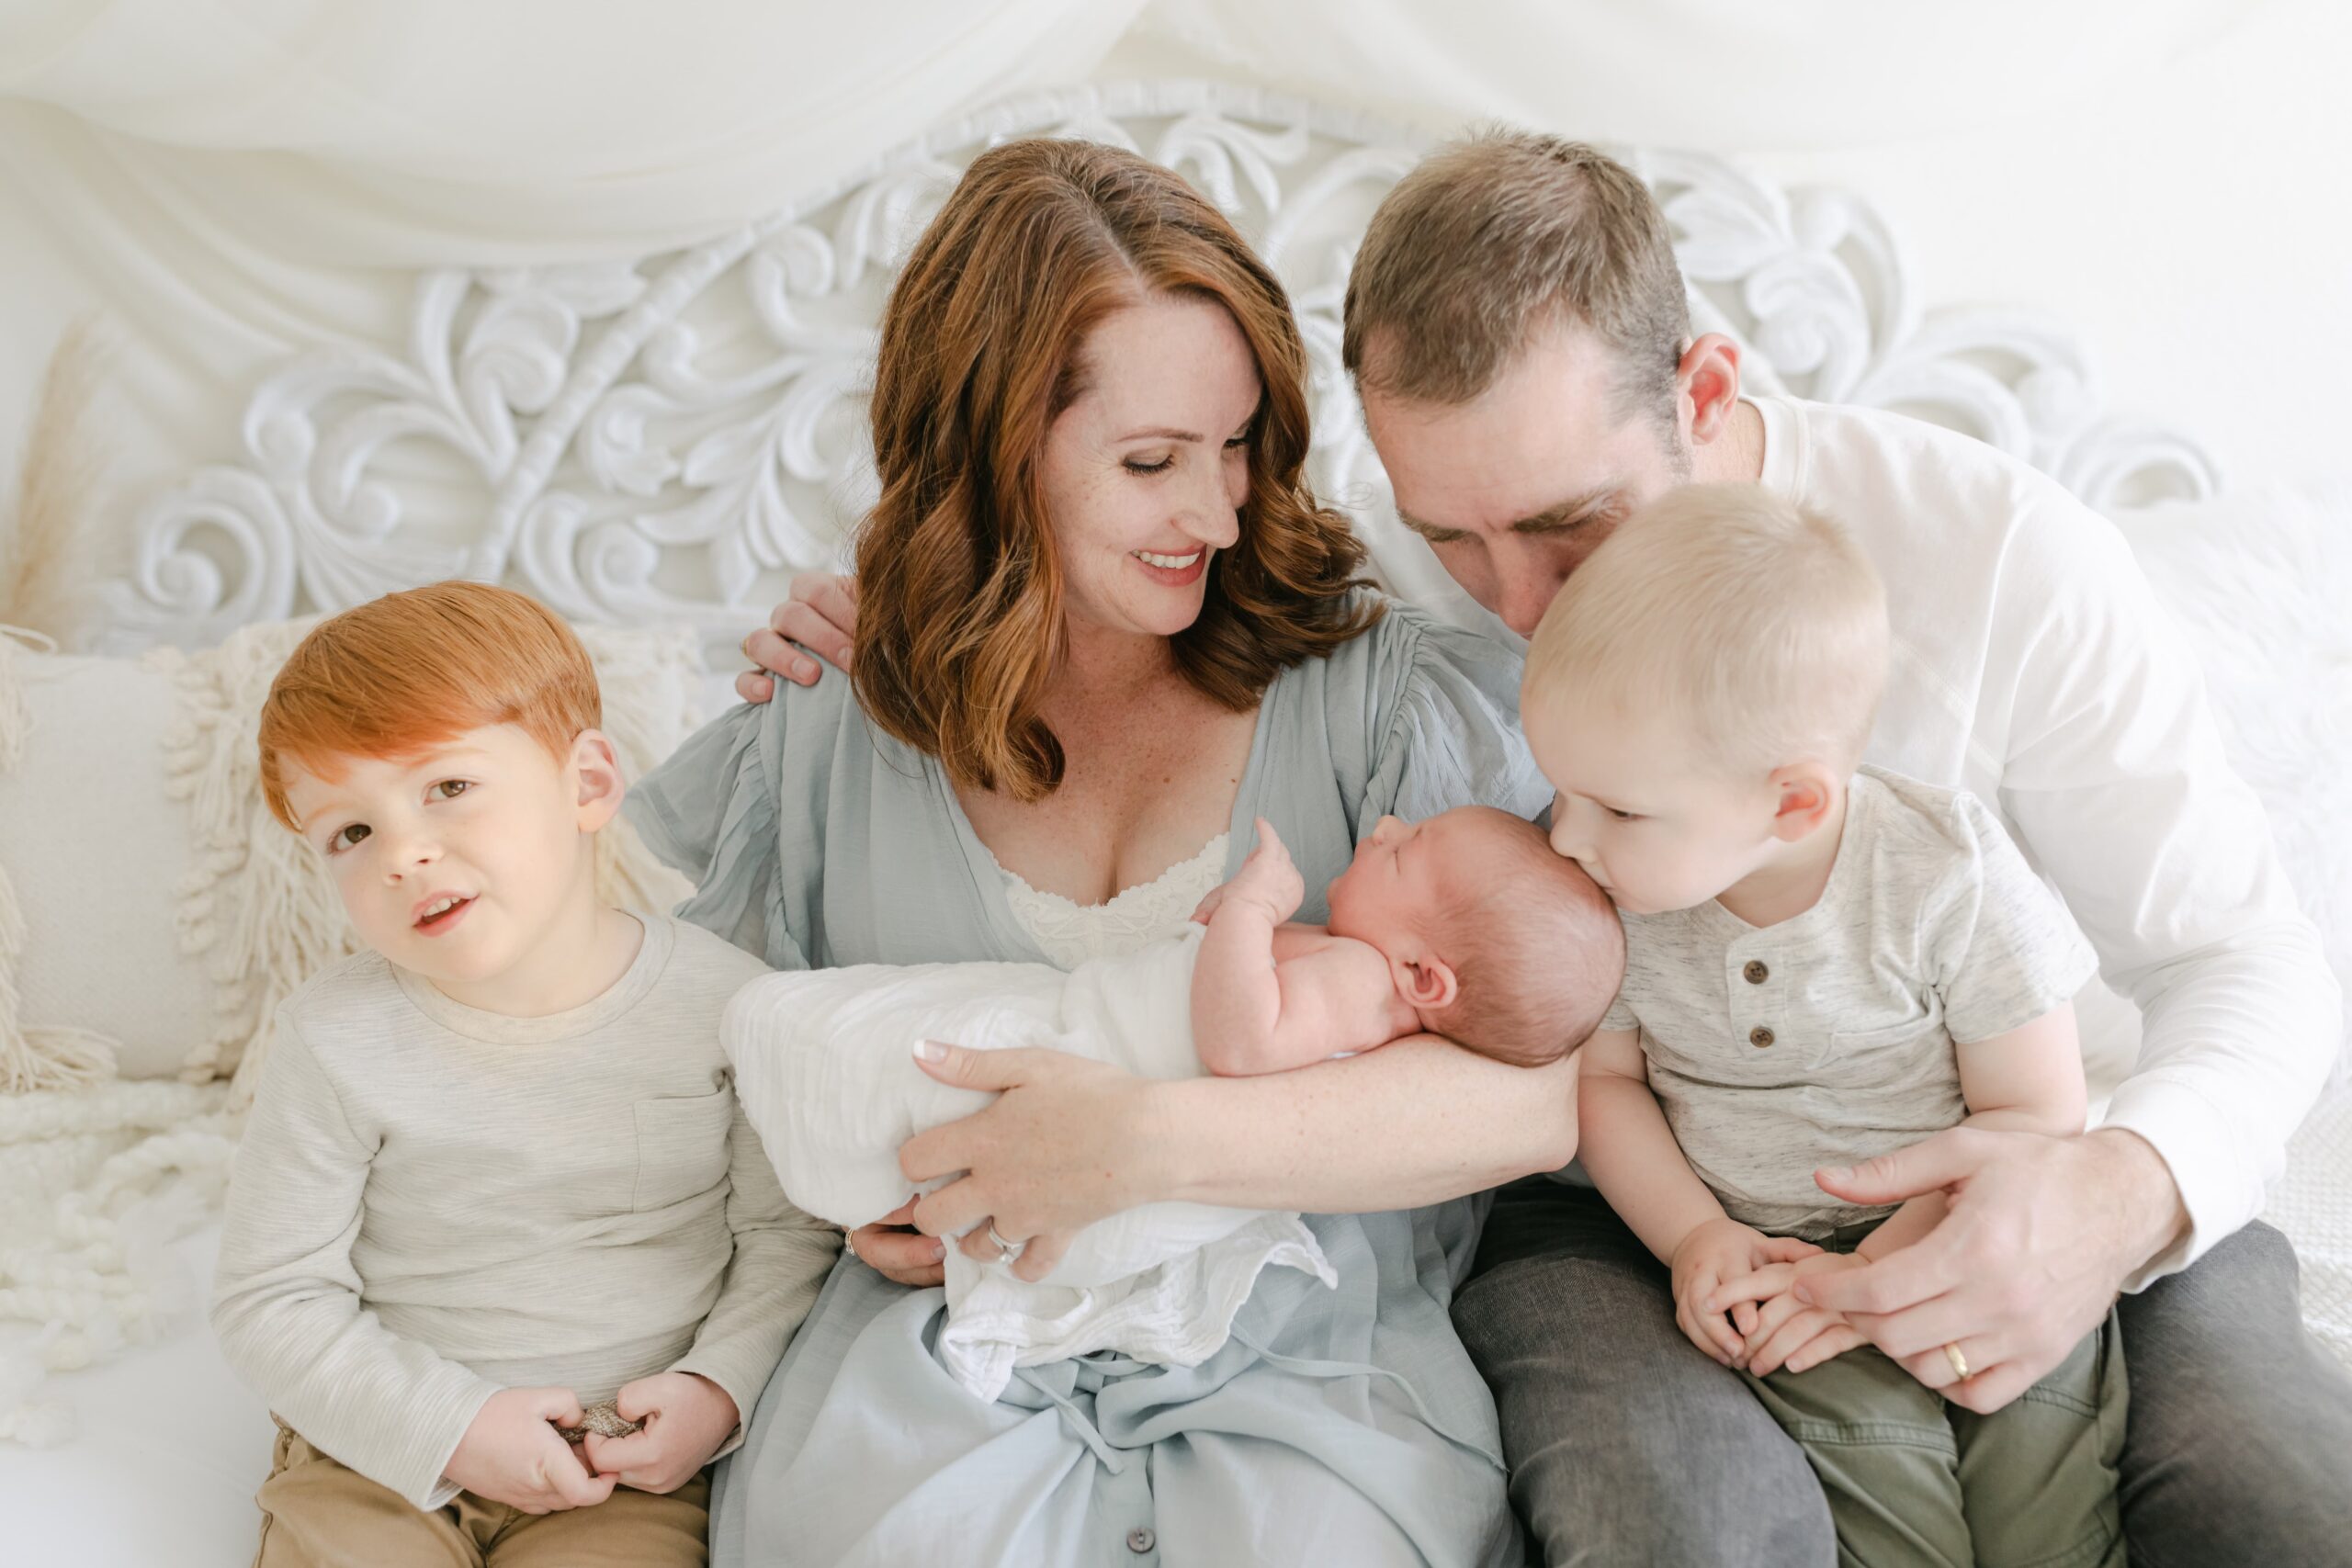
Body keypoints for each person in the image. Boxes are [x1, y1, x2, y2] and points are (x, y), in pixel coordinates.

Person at [754, 130, 2349, 1566]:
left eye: (1570, 527)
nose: (1520, 603)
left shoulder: (2006, 563)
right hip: (1637, 1172)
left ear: (1707, 391)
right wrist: (878, 612)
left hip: (2049, 1141)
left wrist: (2125, 1186)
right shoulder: (1377, 604)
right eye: (1455, 535)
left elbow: (2243, 953)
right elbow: (1101, 571)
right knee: (1685, 1524)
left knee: (2273, 1504)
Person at [628, 136, 1558, 1566]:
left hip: (1304, 1366)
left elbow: (1542, 1081)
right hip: (941, 1370)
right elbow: (686, 1056)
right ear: (992, 453)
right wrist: (854, 1193)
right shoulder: (825, 722)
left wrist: (1135, 1151)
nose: (1218, 510)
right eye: (1148, 461)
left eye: (1239, 443)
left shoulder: (1386, 699)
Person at [1534, 483, 2123, 1568]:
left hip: (1969, 1248)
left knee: (2045, 1503)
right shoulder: (1609, 899)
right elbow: (1602, 1087)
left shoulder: (1947, 874)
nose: (1564, 837)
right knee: (1885, 1507)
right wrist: (1696, 1240)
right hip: (1772, 1277)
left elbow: (2035, 1114)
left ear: (1790, 806)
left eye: (1614, 807)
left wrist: (1876, 1281)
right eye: (1557, 789)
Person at [211, 581, 839, 1566]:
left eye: (446, 788)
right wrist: (454, 1428)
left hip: (621, 1463)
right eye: (351, 833)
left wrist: (717, 1390)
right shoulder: (336, 1038)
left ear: (587, 785)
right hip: (381, 1454)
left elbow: (783, 1240)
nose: (404, 855)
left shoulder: (725, 1007)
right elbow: (272, 1299)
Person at [720, 811, 1621, 1402]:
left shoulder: (1358, 979)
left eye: (1407, 848)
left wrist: (1253, 907)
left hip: (1117, 1115)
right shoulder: (1368, 980)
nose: (1385, 825)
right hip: (1108, 1145)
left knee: (892, 1052)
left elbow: (1240, 1043)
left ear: (1424, 975)